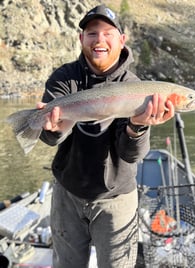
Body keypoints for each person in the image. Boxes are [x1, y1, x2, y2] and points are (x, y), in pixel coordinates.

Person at [37, 4, 175, 268]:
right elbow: (51, 140)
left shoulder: (136, 88)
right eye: (91, 33)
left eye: (108, 33)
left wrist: (137, 126)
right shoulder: (65, 78)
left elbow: (130, 154)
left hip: (117, 198)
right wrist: (49, 127)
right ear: (81, 39)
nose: (99, 40)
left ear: (121, 40)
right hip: (68, 193)